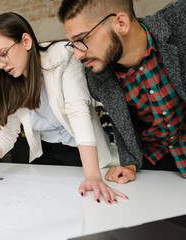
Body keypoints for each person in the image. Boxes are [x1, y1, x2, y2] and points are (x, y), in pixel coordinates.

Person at [0, 12, 128, 204]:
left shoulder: (62, 56)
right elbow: (8, 135)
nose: (1, 64)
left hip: (83, 154)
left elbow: (78, 112)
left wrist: (92, 176)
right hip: (46, 155)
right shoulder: (12, 81)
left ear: (26, 41)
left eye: (3, 53)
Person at [58, 0, 186, 184]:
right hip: (155, 164)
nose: (78, 55)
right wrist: (130, 164)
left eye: (83, 39)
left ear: (121, 23)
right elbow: (124, 121)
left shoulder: (180, 21)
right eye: (73, 44)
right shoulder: (97, 78)